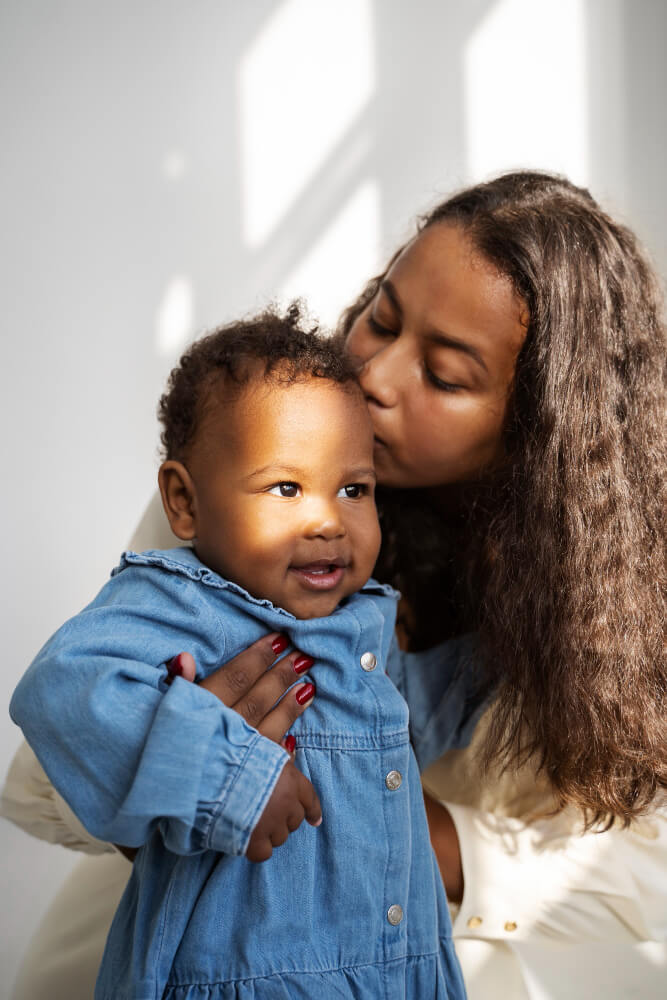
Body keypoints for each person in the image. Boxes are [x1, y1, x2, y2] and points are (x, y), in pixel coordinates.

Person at [4, 170, 666, 999]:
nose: (376, 377)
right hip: (183, 957)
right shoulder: (246, 475)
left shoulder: (619, 584)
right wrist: (188, 760)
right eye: (378, 321)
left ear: (542, 425)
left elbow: (646, 861)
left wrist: (403, 833)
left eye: (446, 375)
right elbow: (37, 780)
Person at [10, 308, 476, 999]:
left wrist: (506, 654)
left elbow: (413, 718)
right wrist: (229, 775)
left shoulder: (367, 624)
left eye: (353, 488)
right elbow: (61, 688)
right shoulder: (181, 604)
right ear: (184, 502)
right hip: (235, 976)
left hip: (396, 970)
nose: (326, 519)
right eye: (285, 487)